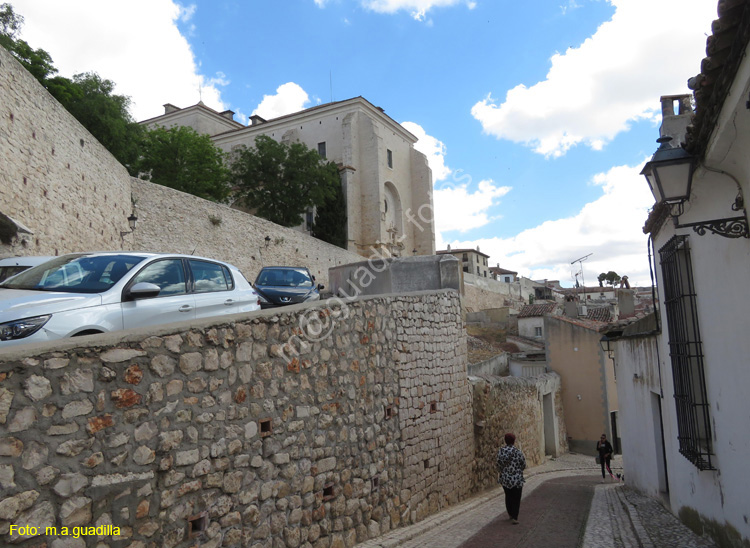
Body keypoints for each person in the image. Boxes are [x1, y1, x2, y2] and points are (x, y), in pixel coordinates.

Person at [496, 432, 526, 525]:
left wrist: (503, 471)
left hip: (506, 479)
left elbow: (498, 464)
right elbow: (523, 464)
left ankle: (510, 513)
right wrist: (518, 470)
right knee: (517, 498)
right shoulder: (518, 452)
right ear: (514, 441)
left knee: (508, 496)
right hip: (517, 479)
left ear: (505, 441)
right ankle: (515, 516)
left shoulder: (501, 451)